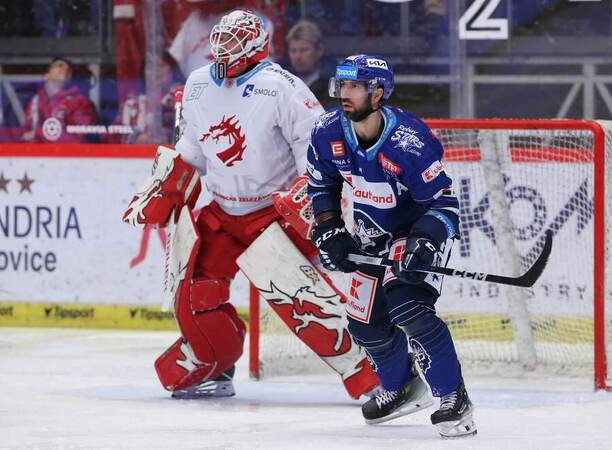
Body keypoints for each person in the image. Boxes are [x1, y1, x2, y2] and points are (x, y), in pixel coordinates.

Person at [123, 10, 378, 401]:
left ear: (258, 45)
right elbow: (193, 149)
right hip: (223, 212)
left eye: (235, 40)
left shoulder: (282, 87)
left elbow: (315, 148)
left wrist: (310, 195)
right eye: (222, 39)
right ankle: (214, 362)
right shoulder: (196, 84)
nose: (225, 48)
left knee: (303, 305)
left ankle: (378, 374)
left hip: (273, 213)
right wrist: (166, 183)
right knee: (192, 294)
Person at [306, 54, 477, 438]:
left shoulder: (410, 142)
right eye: (342, 85)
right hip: (372, 236)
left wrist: (424, 242)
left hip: (415, 232)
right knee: (365, 325)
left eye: (354, 87)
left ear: (378, 92)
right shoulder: (326, 132)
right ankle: (401, 387)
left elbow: (444, 204)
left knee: (409, 308)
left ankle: (454, 398)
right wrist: (331, 227)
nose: (343, 94)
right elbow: (321, 185)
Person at [21, 57, 97, 143]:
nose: (65, 69)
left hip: (65, 154)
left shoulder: (79, 101)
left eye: (69, 70)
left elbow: (79, 137)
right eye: (60, 65)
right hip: (35, 154)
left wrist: (38, 134)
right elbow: (24, 132)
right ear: (46, 76)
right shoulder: (35, 101)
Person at [285, 20, 335, 109]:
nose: (297, 56)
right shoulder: (283, 80)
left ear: (320, 50)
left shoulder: (332, 82)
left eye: (304, 50)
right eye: (293, 51)